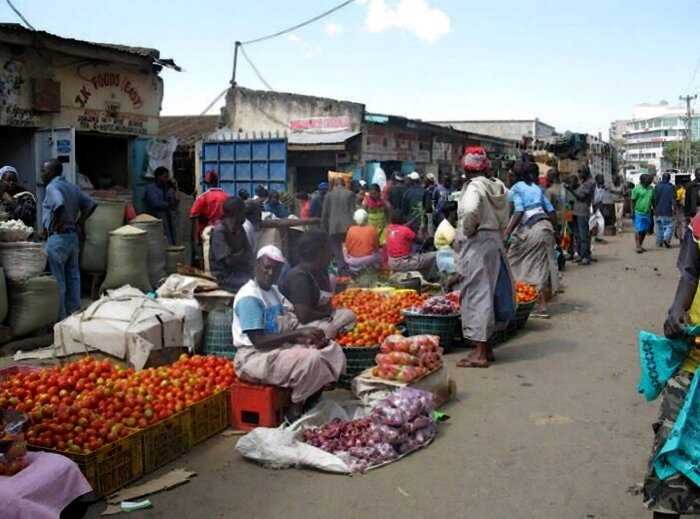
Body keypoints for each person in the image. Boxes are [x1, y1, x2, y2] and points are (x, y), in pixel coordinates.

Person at [232, 245, 346, 415]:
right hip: (253, 357)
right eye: (266, 268)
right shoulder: (249, 297)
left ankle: (311, 400)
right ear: (256, 266)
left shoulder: (274, 292)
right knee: (311, 358)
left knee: (332, 350)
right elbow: (259, 340)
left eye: (275, 271)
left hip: (277, 349)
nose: (270, 273)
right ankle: (295, 407)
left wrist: (307, 338)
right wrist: (298, 334)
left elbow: (285, 326)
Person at [642, 215, 700, 518]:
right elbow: (690, 273)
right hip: (693, 362)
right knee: (671, 453)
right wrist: (677, 309)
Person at [453, 161, 513, 368]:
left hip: (478, 242)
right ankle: (486, 348)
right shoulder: (497, 185)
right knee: (490, 291)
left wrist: (468, 230)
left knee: (477, 294)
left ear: (467, 169)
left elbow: (470, 210)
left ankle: (479, 353)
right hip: (494, 240)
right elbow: (510, 204)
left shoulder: (474, 186)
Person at [41, 159, 96, 320]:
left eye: (44, 171)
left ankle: (61, 318)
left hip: (57, 238)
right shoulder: (72, 187)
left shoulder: (52, 187)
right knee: (73, 276)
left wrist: (58, 223)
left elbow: (59, 204)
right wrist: (79, 222)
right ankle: (74, 314)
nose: (42, 174)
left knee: (59, 280)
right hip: (72, 238)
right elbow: (91, 205)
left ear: (52, 172)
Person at [504, 161, 558, 317]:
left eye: (510, 173)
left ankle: (531, 303)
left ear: (514, 175)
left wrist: (507, 233)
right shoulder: (537, 188)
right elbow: (551, 210)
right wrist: (556, 232)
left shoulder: (516, 188)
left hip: (532, 228)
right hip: (546, 226)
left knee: (513, 263)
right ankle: (540, 305)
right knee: (538, 266)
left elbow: (519, 211)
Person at [280, 230, 356, 337]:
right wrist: (327, 315)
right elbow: (303, 315)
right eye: (328, 250)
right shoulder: (299, 276)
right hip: (298, 324)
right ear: (319, 252)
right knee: (326, 330)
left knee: (349, 315)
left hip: (320, 317)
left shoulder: (322, 271)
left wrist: (328, 313)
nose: (332, 254)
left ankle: (334, 332)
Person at [209, 197, 254, 292]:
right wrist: (242, 254)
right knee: (254, 284)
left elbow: (249, 254)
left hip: (240, 272)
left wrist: (238, 256)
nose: (245, 215)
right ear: (236, 213)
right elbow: (229, 261)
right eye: (243, 212)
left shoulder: (240, 229)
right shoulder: (220, 231)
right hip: (224, 277)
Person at [190, 171, 228, 265]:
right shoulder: (226, 196)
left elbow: (194, 217)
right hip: (224, 231)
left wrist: (195, 239)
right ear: (217, 181)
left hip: (209, 232)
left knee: (208, 260)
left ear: (206, 183)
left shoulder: (203, 197)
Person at [385, 210, 436, 274]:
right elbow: (421, 242)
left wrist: (415, 218)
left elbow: (402, 227)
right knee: (435, 255)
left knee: (414, 249)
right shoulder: (405, 230)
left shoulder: (388, 228)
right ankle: (430, 277)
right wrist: (421, 229)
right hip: (403, 262)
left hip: (391, 262)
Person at [321, 178, 355, 274]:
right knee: (348, 249)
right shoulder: (350, 194)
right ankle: (349, 270)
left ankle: (341, 270)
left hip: (333, 227)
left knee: (337, 250)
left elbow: (324, 214)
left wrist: (325, 228)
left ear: (335, 185)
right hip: (348, 228)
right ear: (344, 184)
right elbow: (353, 212)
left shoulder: (328, 195)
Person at [565, 167, 595, 265]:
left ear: (585, 173)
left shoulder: (589, 183)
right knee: (577, 235)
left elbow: (581, 197)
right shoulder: (583, 182)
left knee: (583, 236)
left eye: (580, 173)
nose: (579, 175)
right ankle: (581, 255)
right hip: (575, 212)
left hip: (582, 212)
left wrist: (570, 190)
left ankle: (585, 257)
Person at [144, 166, 178, 245]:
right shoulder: (151, 188)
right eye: (165, 177)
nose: (167, 179)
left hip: (167, 218)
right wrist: (168, 204)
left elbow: (173, 202)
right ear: (158, 177)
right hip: (155, 219)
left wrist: (173, 191)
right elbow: (156, 203)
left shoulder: (166, 188)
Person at [632, 174, 655, 253]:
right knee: (638, 230)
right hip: (638, 212)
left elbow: (653, 200)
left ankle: (640, 245)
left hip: (647, 212)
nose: (648, 183)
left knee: (644, 230)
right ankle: (638, 246)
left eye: (649, 182)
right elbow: (633, 201)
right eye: (647, 182)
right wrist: (632, 212)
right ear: (642, 181)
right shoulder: (636, 189)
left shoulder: (651, 189)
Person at [654, 172, 676, 249]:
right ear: (669, 179)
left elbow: (655, 199)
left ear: (662, 178)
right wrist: (674, 209)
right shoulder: (672, 187)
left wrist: (654, 208)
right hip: (668, 210)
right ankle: (666, 239)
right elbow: (673, 200)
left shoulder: (657, 186)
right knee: (669, 226)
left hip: (658, 210)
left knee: (659, 227)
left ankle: (659, 242)